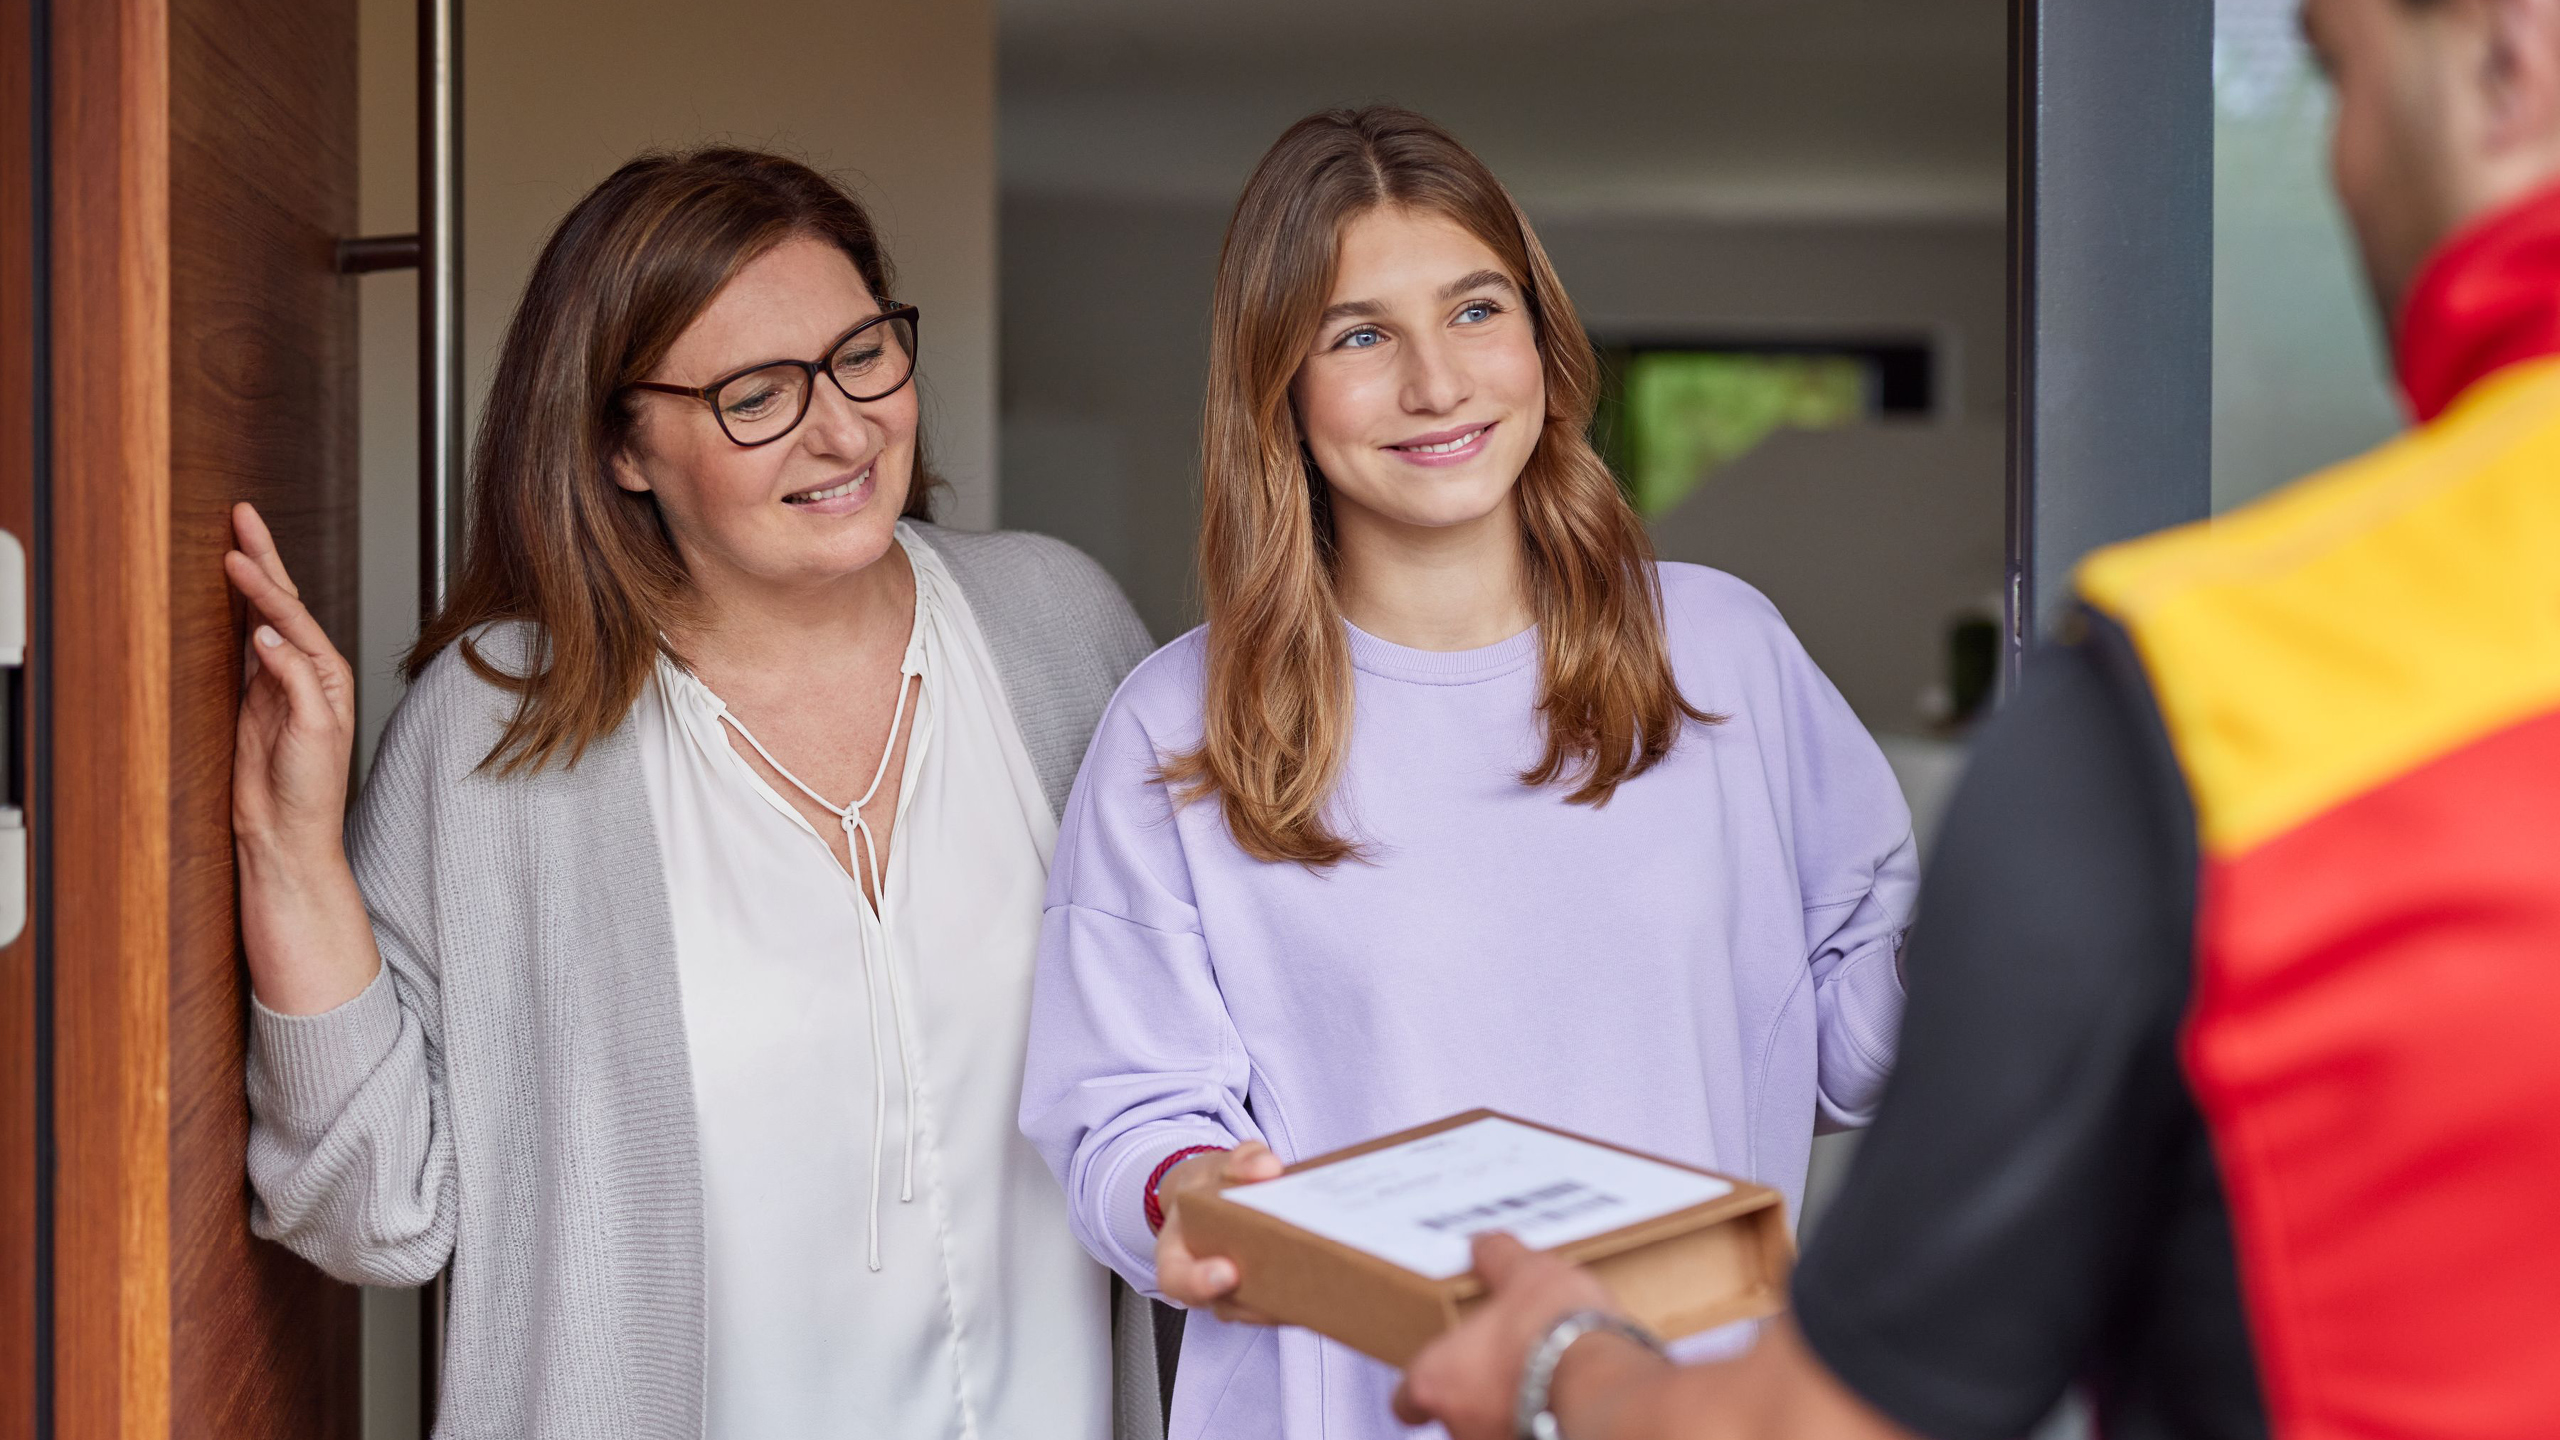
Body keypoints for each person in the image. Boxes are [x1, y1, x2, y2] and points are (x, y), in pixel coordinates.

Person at [1390, 0, 2560, 1436]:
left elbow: (1823, 1424)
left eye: (2334, 69)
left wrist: (1555, 1358)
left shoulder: (2196, 709)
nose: (2339, 155)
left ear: (2515, 62)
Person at [228, 148, 1164, 1440]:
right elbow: (373, 1206)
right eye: (756, 395)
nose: (841, 429)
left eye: (863, 356)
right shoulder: (497, 728)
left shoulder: (1063, 633)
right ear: (624, 446)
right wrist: (288, 845)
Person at [1018, 107, 1918, 1440]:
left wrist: (2013, 952)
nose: (1438, 384)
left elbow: (1848, 1039)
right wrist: (1191, 1188)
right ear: (1281, 386)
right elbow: (1124, 1111)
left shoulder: (1722, 652)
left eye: (1476, 310)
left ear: (1543, 342)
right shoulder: (1182, 725)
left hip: (1686, 1409)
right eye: (1360, 335)